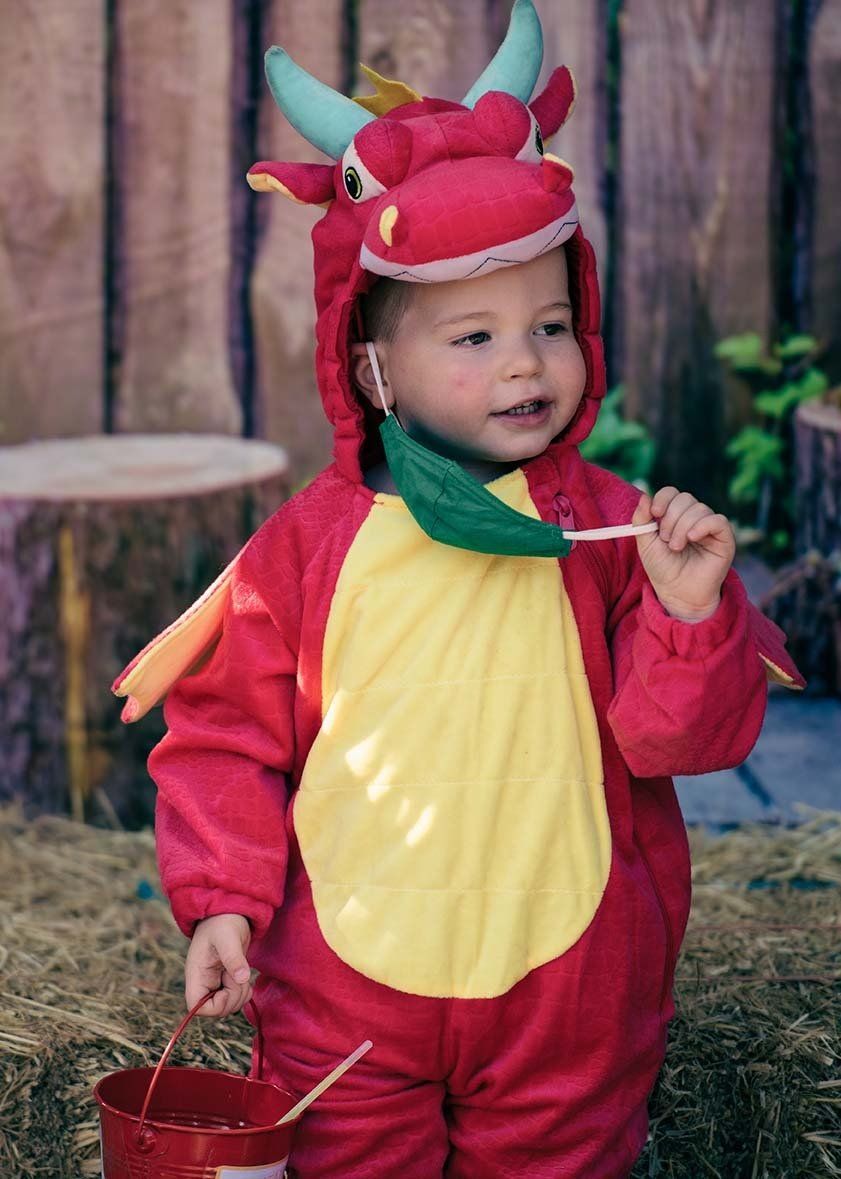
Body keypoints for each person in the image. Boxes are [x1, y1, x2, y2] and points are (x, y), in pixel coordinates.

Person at [113, 3, 804, 1174]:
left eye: (547, 322)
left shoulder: (610, 527)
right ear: (371, 366)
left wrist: (690, 611)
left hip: (571, 987)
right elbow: (225, 739)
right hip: (344, 996)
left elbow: (676, 739)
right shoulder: (307, 549)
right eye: (471, 337)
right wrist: (222, 895)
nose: (526, 360)